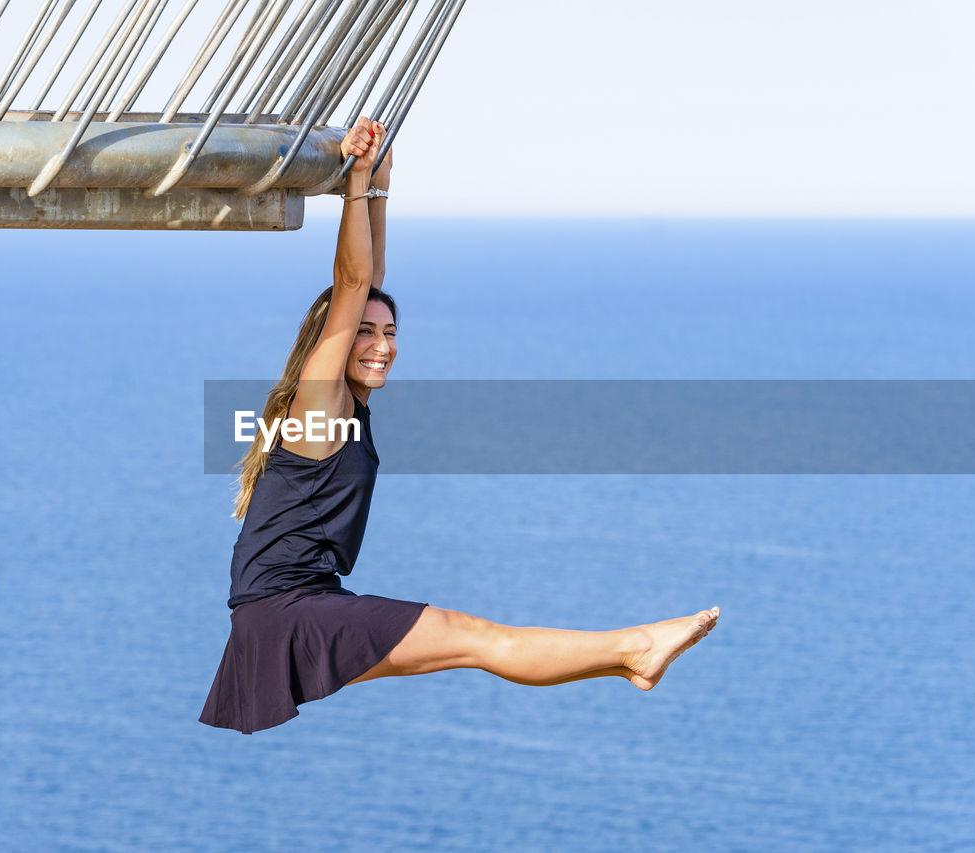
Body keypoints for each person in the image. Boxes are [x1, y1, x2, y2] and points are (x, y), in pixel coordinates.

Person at [199, 117, 720, 734]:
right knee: (477, 640)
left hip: (300, 604)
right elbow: (353, 282)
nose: (382, 346)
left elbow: (370, 283)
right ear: (330, 344)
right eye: (365, 334)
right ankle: (633, 648)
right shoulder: (319, 404)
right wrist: (357, 181)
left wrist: (379, 188)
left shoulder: (345, 405)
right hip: (287, 613)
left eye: (391, 334)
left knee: (474, 645)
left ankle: (626, 659)